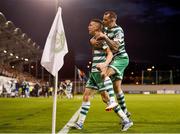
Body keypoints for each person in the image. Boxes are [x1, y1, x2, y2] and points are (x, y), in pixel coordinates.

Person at [69, 19, 132, 131]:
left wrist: (104, 64)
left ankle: (126, 119)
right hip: (93, 72)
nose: (88, 26)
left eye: (91, 25)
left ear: (97, 28)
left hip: (99, 72)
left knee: (105, 98)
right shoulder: (93, 39)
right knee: (86, 95)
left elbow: (110, 53)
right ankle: (80, 123)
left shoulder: (102, 39)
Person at [90, 11, 133, 129]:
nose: (103, 22)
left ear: (113, 20)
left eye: (105, 20)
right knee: (117, 88)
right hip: (113, 59)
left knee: (104, 74)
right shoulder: (106, 30)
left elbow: (115, 47)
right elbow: (97, 39)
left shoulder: (119, 31)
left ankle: (112, 101)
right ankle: (126, 115)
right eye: (103, 19)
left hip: (121, 59)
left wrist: (105, 37)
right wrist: (94, 40)